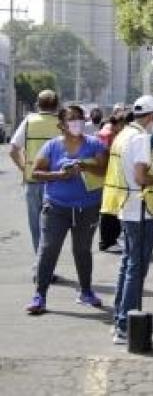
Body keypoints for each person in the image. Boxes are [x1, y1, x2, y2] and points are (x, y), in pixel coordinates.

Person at [102, 95, 153, 344]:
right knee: (136, 268)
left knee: (128, 265)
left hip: (126, 207)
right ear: (151, 117)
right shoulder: (141, 137)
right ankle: (126, 325)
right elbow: (142, 177)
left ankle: (121, 320)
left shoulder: (124, 135)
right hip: (140, 209)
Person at [24, 105, 108, 314]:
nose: (77, 123)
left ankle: (86, 291)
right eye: (72, 119)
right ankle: (39, 295)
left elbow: (105, 169)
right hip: (56, 207)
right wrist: (59, 175)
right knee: (48, 249)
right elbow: (36, 173)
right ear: (62, 125)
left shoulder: (95, 144)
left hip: (87, 207)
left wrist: (86, 166)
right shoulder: (52, 146)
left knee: (82, 251)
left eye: (80, 118)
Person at [9, 89, 61, 274]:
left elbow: (13, 149)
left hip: (33, 181)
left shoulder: (29, 122)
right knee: (53, 227)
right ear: (56, 105)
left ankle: (41, 264)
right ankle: (47, 265)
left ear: (38, 105)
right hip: (57, 182)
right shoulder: (61, 123)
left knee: (36, 225)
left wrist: (25, 168)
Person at [97, 111, 130, 252]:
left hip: (110, 176)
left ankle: (109, 241)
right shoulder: (110, 135)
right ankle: (108, 242)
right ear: (119, 124)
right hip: (111, 176)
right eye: (123, 125)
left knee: (110, 211)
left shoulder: (107, 132)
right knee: (110, 212)